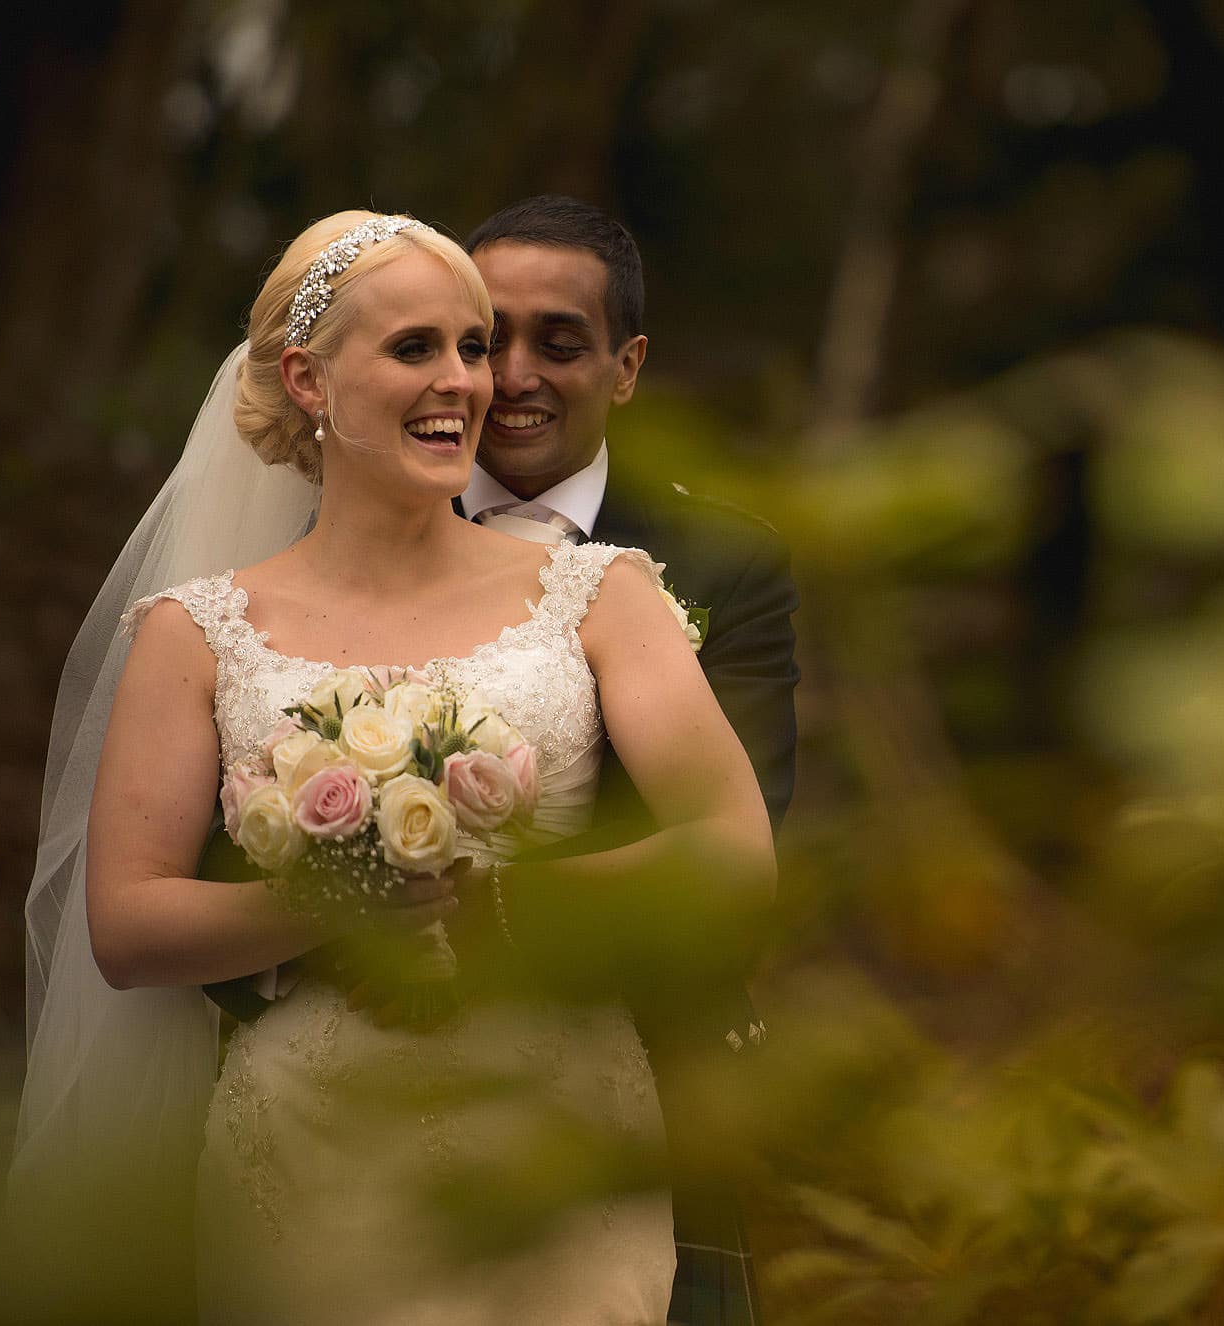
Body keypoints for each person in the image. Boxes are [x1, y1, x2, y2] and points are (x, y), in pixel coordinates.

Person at [13, 210, 774, 1324]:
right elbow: (126, 928)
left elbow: (733, 851)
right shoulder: (195, 631)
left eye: (471, 347)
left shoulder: (601, 593)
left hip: (557, 1132)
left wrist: (511, 900)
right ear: (307, 382)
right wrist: (330, 899)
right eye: (416, 348)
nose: (467, 382)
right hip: (309, 1150)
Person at [460, 195, 799, 1326]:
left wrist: (480, 906)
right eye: (482, 336)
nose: (512, 374)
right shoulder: (337, 546)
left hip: (636, 1076)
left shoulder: (723, 562)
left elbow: (733, 849)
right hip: (353, 1073)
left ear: (625, 366)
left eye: (557, 341)